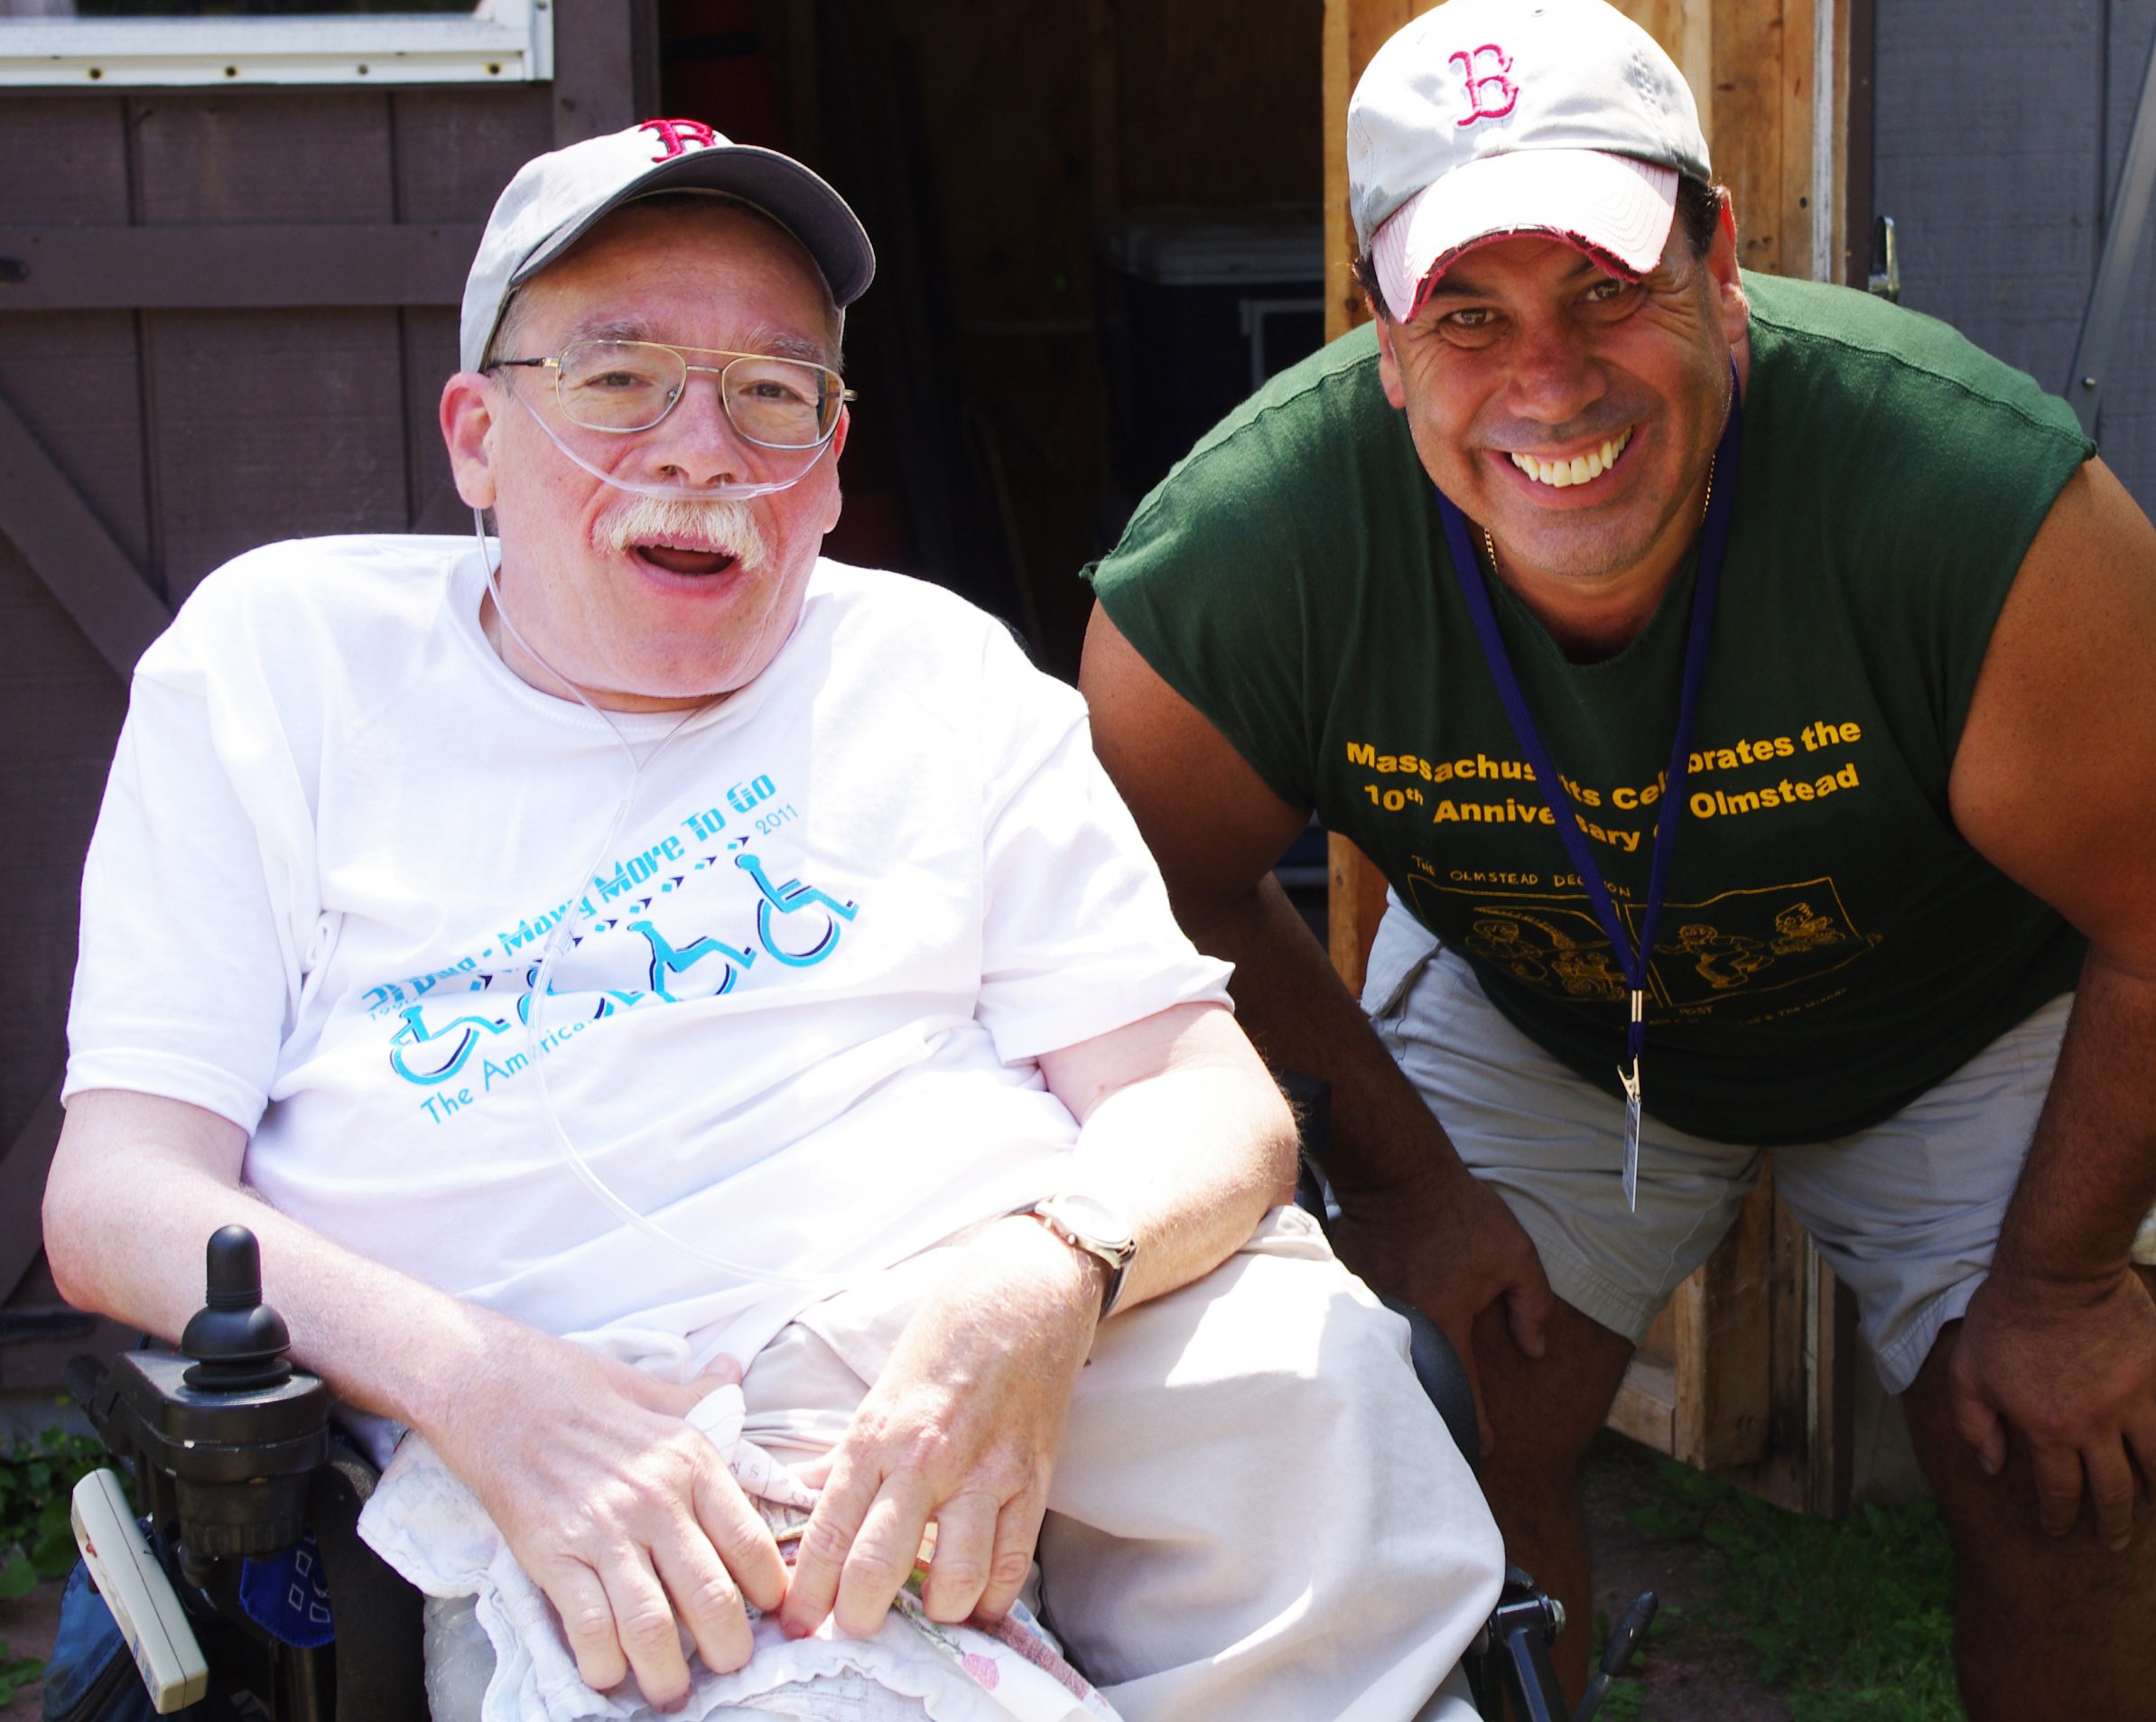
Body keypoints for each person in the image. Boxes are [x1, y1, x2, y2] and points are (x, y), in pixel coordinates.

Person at [42, 119, 1501, 1722]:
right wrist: (477, 1386)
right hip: (602, 1397)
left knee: (1338, 1406)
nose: (701, 450)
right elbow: (118, 1194)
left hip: (1008, 1314)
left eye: (771, 393)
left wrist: (1049, 1273)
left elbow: (1201, 1094)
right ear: (476, 435)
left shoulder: (932, 672)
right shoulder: (282, 667)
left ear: (828, 462)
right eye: (618, 380)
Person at [1081, 0, 2156, 1721]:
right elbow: (1151, 887)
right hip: (1547, 1004)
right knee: (1429, 1423)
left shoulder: (1968, 494)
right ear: (1384, 335)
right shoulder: (1239, 554)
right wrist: (1408, 1178)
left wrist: (2067, 1281)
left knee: (2065, 1467)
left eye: (1608, 287)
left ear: (1721, 266)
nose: (1548, 376)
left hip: (1959, 1008)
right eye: (1467, 311)